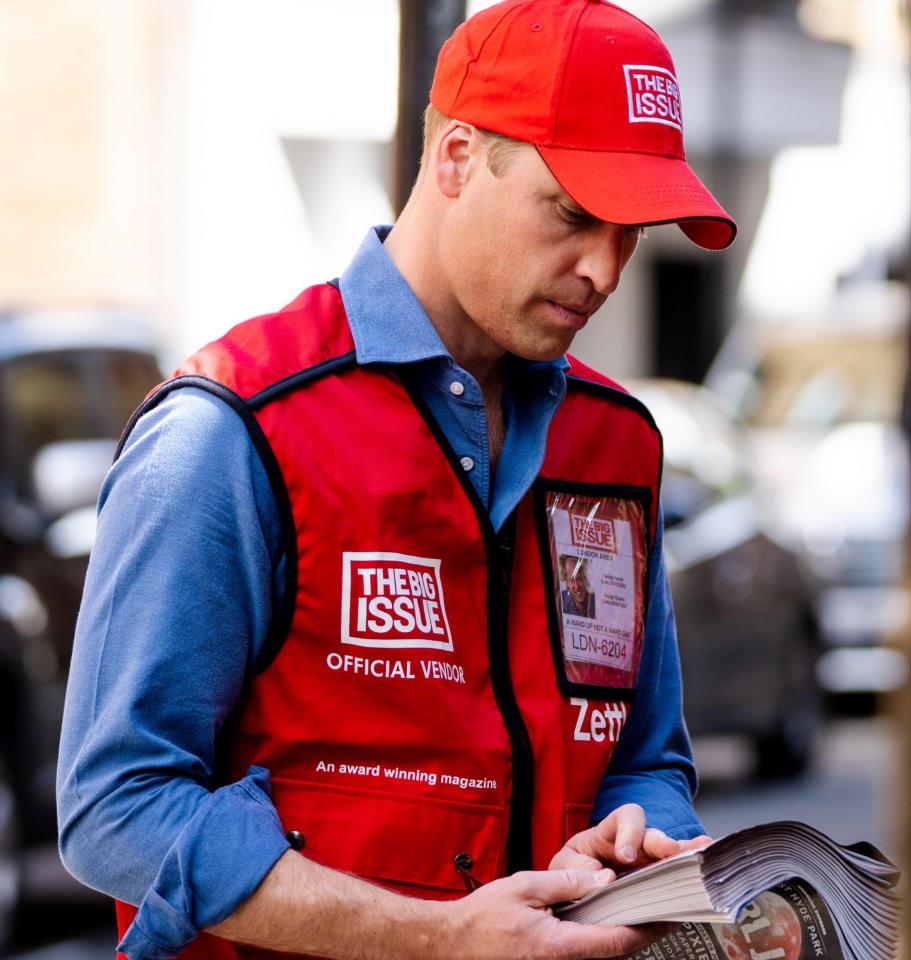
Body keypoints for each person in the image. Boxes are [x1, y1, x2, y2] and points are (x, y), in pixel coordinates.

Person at [57, 2, 736, 959]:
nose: (605, 269)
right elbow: (115, 807)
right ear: (457, 157)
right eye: (576, 214)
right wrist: (443, 938)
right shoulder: (234, 428)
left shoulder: (615, 441)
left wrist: (644, 840)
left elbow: (645, 757)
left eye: (632, 231)